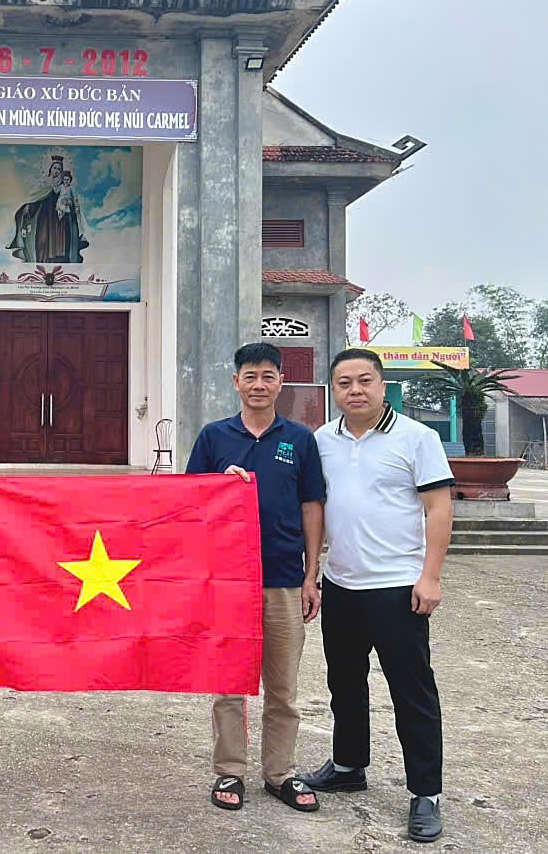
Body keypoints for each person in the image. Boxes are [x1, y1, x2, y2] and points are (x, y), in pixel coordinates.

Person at [299, 348, 454, 844]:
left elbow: (438, 509)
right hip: (343, 584)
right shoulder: (323, 440)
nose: (355, 390)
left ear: (382, 385)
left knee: (412, 691)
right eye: (344, 383)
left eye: (364, 380)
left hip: (398, 587)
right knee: (344, 683)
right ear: (334, 390)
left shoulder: (417, 438)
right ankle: (348, 765)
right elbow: (315, 507)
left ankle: (425, 793)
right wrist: (313, 573)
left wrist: (430, 577)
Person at [185, 342, 325, 814]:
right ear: (236, 382)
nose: (259, 385)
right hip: (228, 582)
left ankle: (280, 773)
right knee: (229, 684)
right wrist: (217, 486)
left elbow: (312, 506)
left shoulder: (300, 440)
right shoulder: (214, 437)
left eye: (268, 376)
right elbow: (189, 502)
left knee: (283, 688)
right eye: (250, 376)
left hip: (284, 578)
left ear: (281, 382)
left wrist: (311, 574)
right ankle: (230, 769)